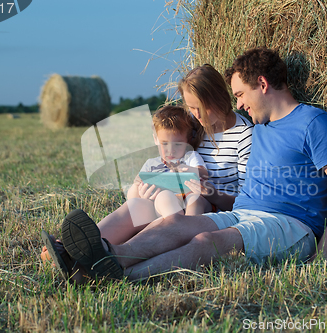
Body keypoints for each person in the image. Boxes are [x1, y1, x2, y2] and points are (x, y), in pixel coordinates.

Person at [57, 48, 327, 281]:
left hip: (290, 225)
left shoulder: (313, 123)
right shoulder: (261, 128)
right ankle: (102, 258)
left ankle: (118, 276)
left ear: (262, 84)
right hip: (242, 213)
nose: (239, 104)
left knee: (208, 242)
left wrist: (325, 253)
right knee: (174, 223)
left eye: (241, 94)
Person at [41, 64, 254, 281]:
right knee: (136, 204)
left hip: (208, 207)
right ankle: (72, 251)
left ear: (218, 97)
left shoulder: (244, 136)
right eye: (190, 108)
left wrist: (209, 192)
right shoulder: (194, 125)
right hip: (177, 192)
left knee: (176, 211)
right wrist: (149, 180)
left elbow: (247, 202)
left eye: (199, 107)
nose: (195, 115)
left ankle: (108, 257)